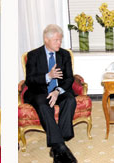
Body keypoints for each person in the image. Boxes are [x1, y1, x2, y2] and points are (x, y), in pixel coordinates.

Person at [24, 24, 77, 163]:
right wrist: (48, 76)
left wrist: (57, 91)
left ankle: (57, 143)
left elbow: (69, 78)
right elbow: (29, 80)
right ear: (46, 40)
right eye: (56, 40)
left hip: (59, 91)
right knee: (43, 105)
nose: (59, 43)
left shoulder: (64, 54)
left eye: (60, 40)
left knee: (70, 100)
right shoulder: (33, 55)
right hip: (40, 91)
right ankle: (60, 146)